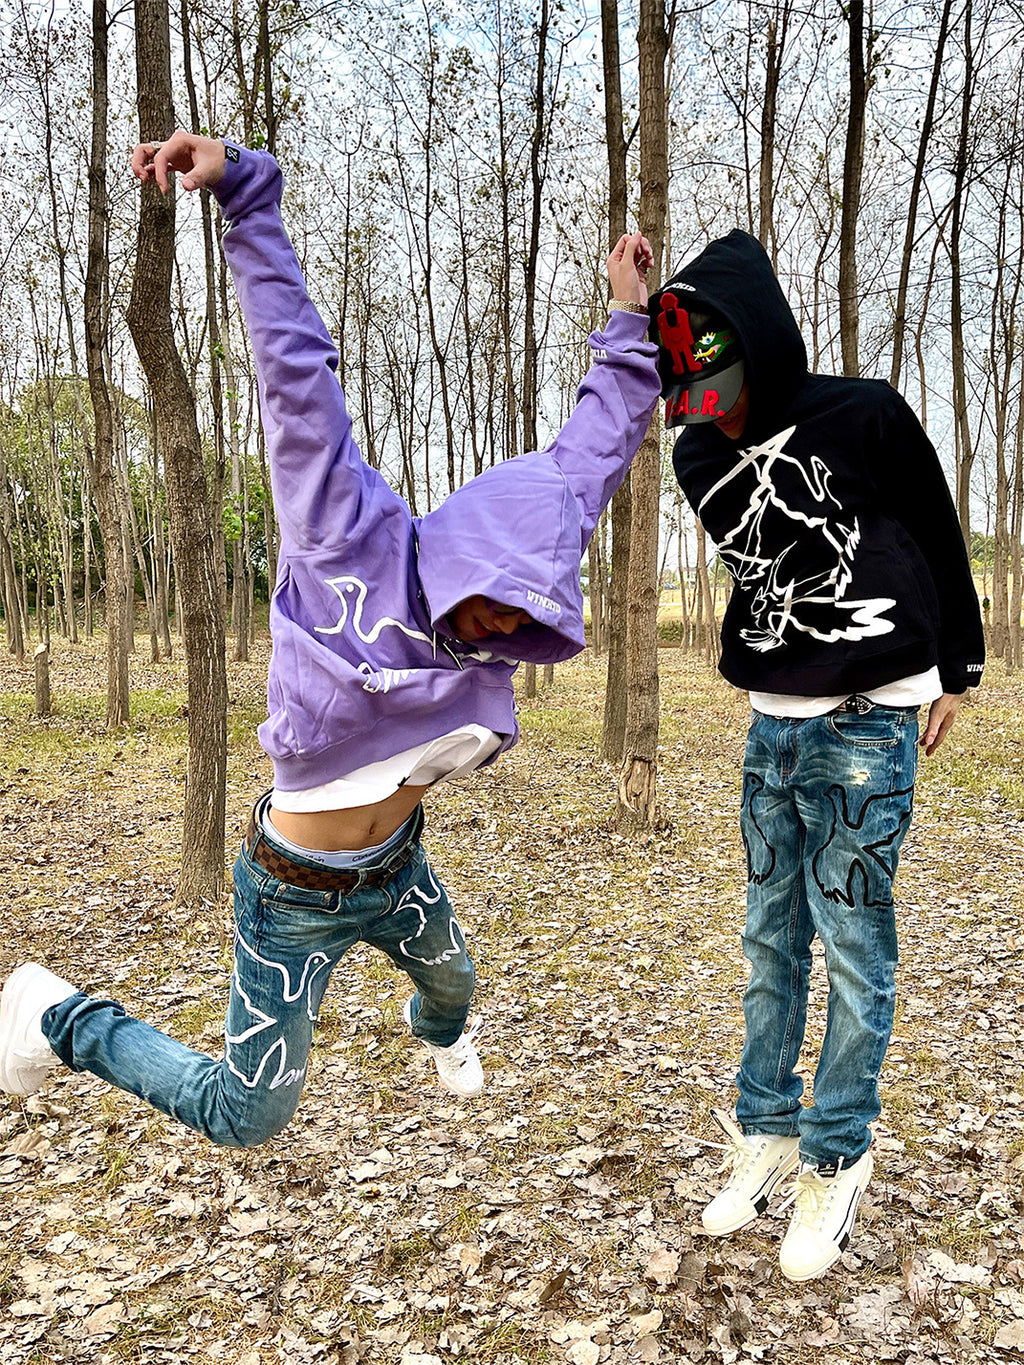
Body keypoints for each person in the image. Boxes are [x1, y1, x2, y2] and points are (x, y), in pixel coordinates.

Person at [0, 131, 659, 1147]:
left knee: (455, 985)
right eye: (497, 596)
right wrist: (246, 195)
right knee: (247, 1116)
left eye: (530, 612)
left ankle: (437, 1032)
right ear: (467, 548)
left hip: (397, 871)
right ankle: (56, 1015)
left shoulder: (526, 575)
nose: (507, 625)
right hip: (292, 895)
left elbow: (596, 448)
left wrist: (628, 316)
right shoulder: (345, 536)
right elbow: (296, 380)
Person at [650, 231, 984, 1282]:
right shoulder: (695, 454)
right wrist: (629, 312)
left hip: (867, 718)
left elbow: (935, 531)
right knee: (768, 941)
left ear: (764, 343)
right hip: (772, 722)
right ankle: (766, 1130)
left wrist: (958, 666)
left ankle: (837, 1153)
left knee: (851, 944)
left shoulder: (865, 413)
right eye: (693, 399)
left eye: (723, 391)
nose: (713, 415)